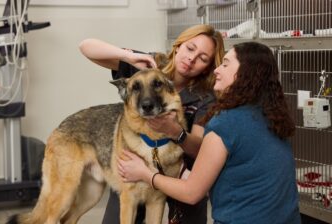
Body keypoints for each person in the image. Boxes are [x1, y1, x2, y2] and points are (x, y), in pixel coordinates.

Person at [118, 42, 301, 224]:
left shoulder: (225, 124)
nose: (216, 70)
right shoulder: (272, 118)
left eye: (226, 64)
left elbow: (191, 193)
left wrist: (145, 174)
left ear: (244, 73)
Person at [79, 24, 225, 224]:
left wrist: (176, 132)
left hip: (179, 176)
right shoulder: (148, 65)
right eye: (190, 48)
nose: (191, 59)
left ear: (208, 67)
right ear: (178, 45)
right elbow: (86, 46)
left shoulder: (205, 96)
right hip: (134, 168)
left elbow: (200, 149)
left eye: (203, 58)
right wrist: (127, 56)